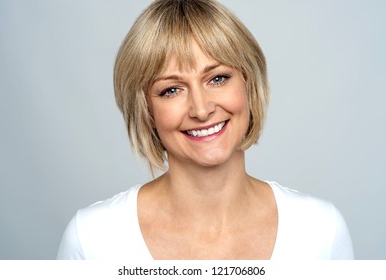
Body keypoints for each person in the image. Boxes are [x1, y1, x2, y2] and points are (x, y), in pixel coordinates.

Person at [57, 0, 354, 260]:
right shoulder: (92, 239)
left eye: (218, 78)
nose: (201, 110)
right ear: (145, 110)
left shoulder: (321, 231)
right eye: (172, 90)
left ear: (249, 85)